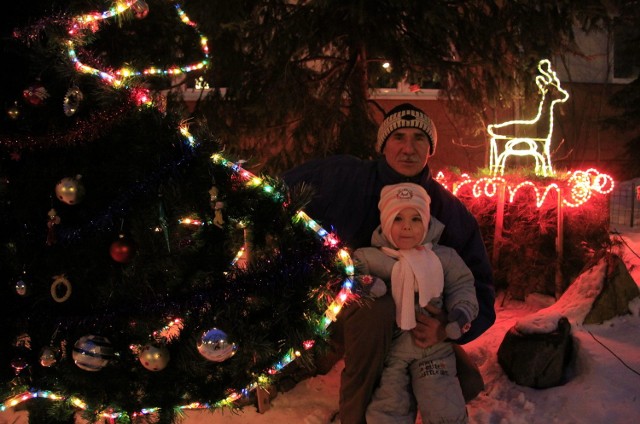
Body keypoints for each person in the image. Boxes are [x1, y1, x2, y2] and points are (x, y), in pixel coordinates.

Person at [282, 103, 495, 424]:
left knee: (464, 382)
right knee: (377, 311)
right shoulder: (344, 178)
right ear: (383, 144)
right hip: (348, 308)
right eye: (398, 137)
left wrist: (448, 326)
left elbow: (478, 288)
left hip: (415, 323)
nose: (408, 149)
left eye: (419, 139)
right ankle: (357, 413)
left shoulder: (450, 213)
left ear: (430, 149)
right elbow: (276, 195)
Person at [353, 182, 478, 423]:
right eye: (398, 218)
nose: (407, 226)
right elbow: (349, 277)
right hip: (391, 350)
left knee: (443, 402)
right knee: (388, 406)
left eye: (416, 219)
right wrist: (367, 284)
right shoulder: (371, 256)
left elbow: (463, 285)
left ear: (427, 223)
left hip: (433, 349)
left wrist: (460, 314)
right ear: (385, 222)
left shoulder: (443, 257)